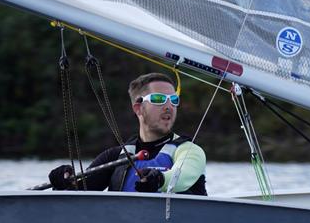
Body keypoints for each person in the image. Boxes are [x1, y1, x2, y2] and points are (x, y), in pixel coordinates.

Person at [48, 72, 207, 194]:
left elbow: (182, 175)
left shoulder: (190, 151)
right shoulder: (115, 157)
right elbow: (78, 194)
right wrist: (64, 181)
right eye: (158, 99)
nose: (168, 106)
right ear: (138, 108)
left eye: (173, 100)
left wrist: (159, 179)